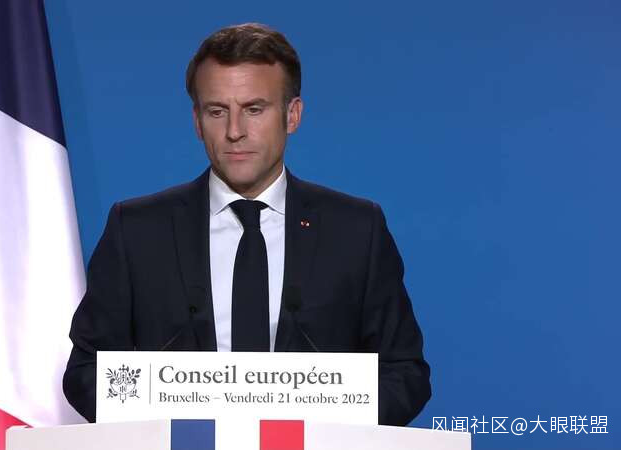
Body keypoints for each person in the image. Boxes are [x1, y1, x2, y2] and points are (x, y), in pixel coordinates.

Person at [63, 23, 431, 426]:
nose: (234, 131)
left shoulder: (357, 231)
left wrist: (327, 426)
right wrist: (171, 420)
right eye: (217, 111)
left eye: (254, 109)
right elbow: (86, 372)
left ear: (292, 115)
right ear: (197, 121)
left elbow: (404, 374)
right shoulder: (137, 230)